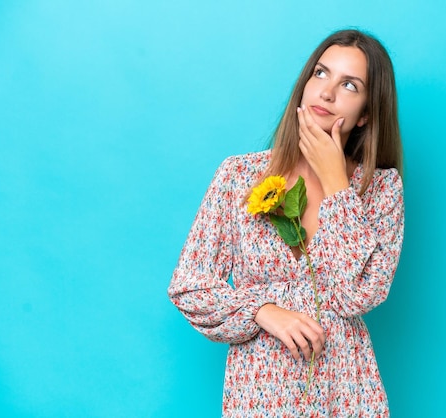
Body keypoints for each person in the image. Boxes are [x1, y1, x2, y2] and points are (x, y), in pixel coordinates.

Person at [168, 29, 404, 417]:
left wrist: (336, 184)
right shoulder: (238, 175)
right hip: (260, 388)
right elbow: (189, 288)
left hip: (344, 390)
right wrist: (262, 309)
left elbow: (358, 295)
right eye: (321, 73)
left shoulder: (381, 188)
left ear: (365, 113)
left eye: (349, 84)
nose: (327, 92)